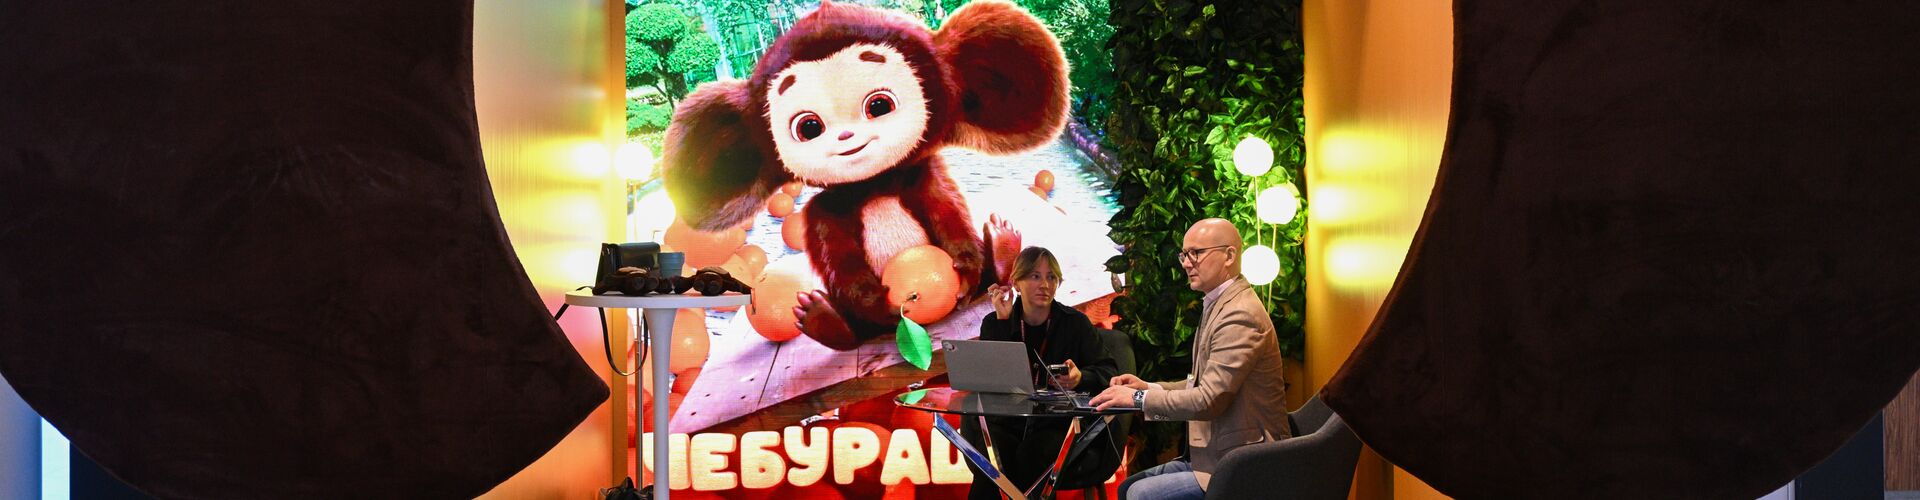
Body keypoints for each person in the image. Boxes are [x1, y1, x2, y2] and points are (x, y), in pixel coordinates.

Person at [1090, 218, 1291, 500]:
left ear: (1229, 256)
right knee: (1126, 489)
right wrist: (1148, 388)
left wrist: (1137, 399)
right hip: (1217, 455)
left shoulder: (1240, 314)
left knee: (1139, 494)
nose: (1186, 263)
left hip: (1244, 462)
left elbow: (1208, 400)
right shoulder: (1220, 303)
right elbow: (1201, 385)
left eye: (1196, 253)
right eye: (1184, 254)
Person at [961, 246, 1120, 500]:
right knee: (993, 457)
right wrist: (1004, 324)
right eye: (1035, 276)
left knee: (1033, 454)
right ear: (1016, 282)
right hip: (1009, 421)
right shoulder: (995, 322)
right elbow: (989, 381)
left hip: (1058, 425)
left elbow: (1109, 371)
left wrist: (1080, 378)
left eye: (1051, 277)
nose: (1045, 284)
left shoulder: (1074, 323)